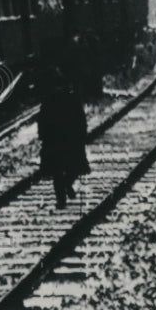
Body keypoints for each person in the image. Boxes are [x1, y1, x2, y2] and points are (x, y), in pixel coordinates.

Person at [37, 66, 91, 209]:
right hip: (66, 139)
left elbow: (42, 120)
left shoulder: (51, 101)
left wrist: (43, 135)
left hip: (58, 140)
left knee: (60, 171)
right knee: (69, 169)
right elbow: (81, 119)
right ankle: (62, 199)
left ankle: (65, 189)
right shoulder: (69, 99)